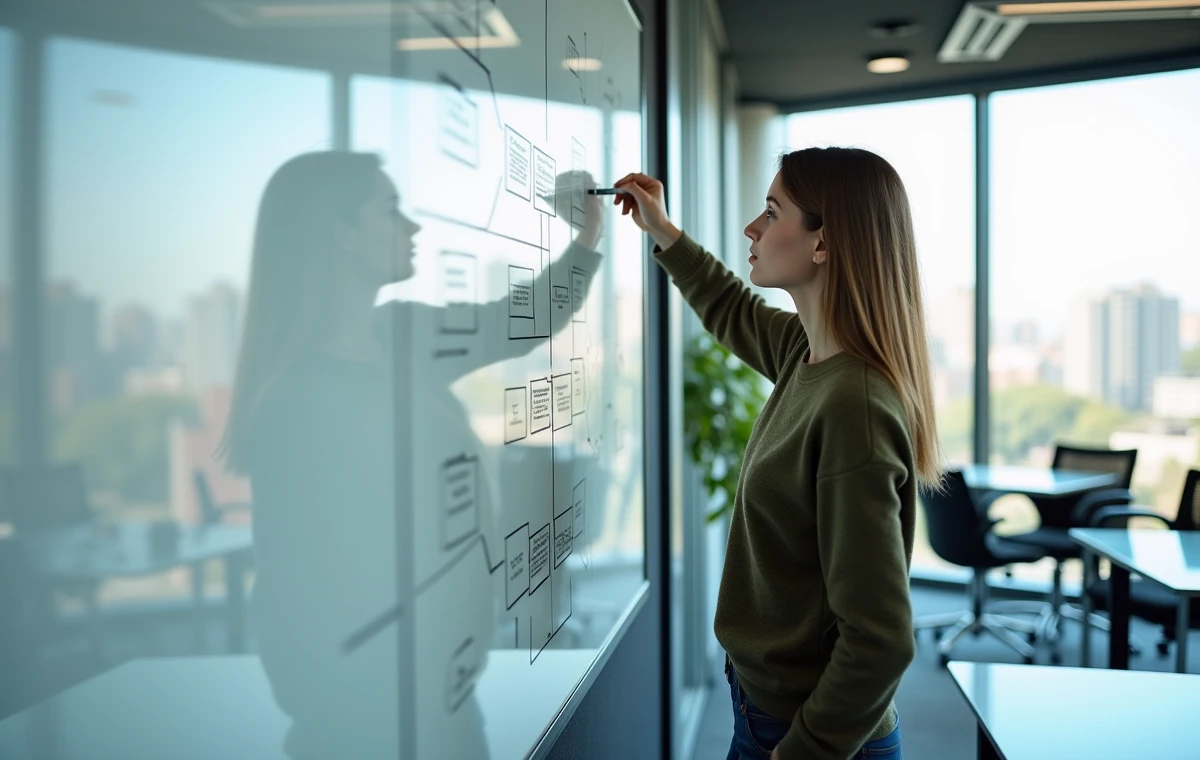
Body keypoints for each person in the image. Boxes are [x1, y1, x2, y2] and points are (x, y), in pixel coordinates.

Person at [221, 151, 603, 759]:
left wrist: (586, 235)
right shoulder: (296, 405)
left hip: (447, 705)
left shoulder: (402, 336)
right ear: (341, 233)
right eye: (391, 209)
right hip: (365, 728)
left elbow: (521, 320)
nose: (413, 227)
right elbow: (293, 595)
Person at [611, 148, 942, 760]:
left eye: (771, 211)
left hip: (809, 737)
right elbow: (730, 307)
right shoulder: (805, 352)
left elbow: (880, 640)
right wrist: (660, 229)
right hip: (763, 713)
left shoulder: (854, 407)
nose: (752, 229)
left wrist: (803, 751)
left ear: (823, 242)